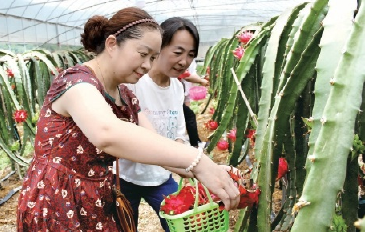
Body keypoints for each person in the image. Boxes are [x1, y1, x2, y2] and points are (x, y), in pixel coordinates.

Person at [16, 7, 240, 231]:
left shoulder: (126, 96)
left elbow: (154, 143)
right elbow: (107, 134)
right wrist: (197, 160)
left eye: (153, 58)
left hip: (98, 201)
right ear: (112, 44)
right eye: (143, 54)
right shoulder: (76, 82)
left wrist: (214, 171)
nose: (147, 65)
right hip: (58, 203)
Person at [118, 17, 209, 232]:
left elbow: (178, 132)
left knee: (182, 226)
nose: (184, 61)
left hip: (160, 177)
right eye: (178, 52)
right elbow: (131, 138)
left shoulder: (177, 88)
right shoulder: (135, 84)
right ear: (159, 47)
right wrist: (189, 164)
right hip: (125, 177)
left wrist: (186, 158)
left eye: (191, 55)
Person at [180, 59, 208, 148]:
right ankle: (194, 144)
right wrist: (201, 81)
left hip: (182, 93)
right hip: (174, 93)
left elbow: (191, 74)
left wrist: (201, 79)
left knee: (188, 116)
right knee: (189, 116)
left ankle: (194, 142)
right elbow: (185, 75)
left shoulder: (190, 61)